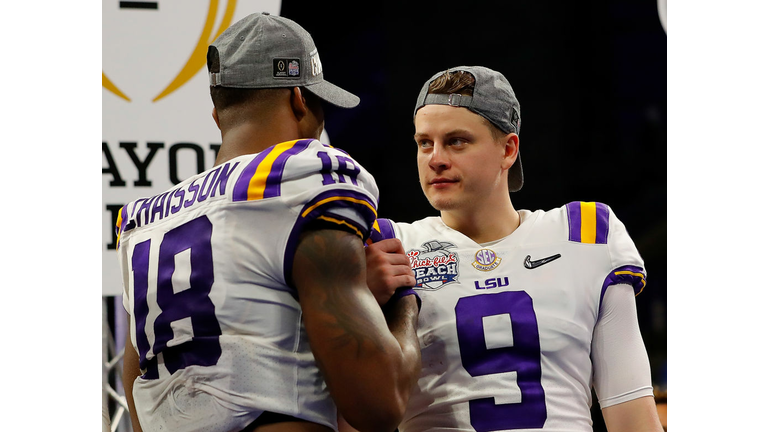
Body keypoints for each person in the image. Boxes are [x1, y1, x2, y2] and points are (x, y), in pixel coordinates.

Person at [116, 13, 421, 432]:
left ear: (218, 115)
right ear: (299, 99)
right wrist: (404, 303)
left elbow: (139, 393)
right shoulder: (303, 176)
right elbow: (379, 405)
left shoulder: (142, 221)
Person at [365, 66, 664, 431]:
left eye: (457, 141)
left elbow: (630, 411)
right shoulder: (386, 247)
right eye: (424, 143)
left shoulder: (585, 235)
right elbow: (354, 412)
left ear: (508, 149)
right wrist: (362, 301)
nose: (436, 158)